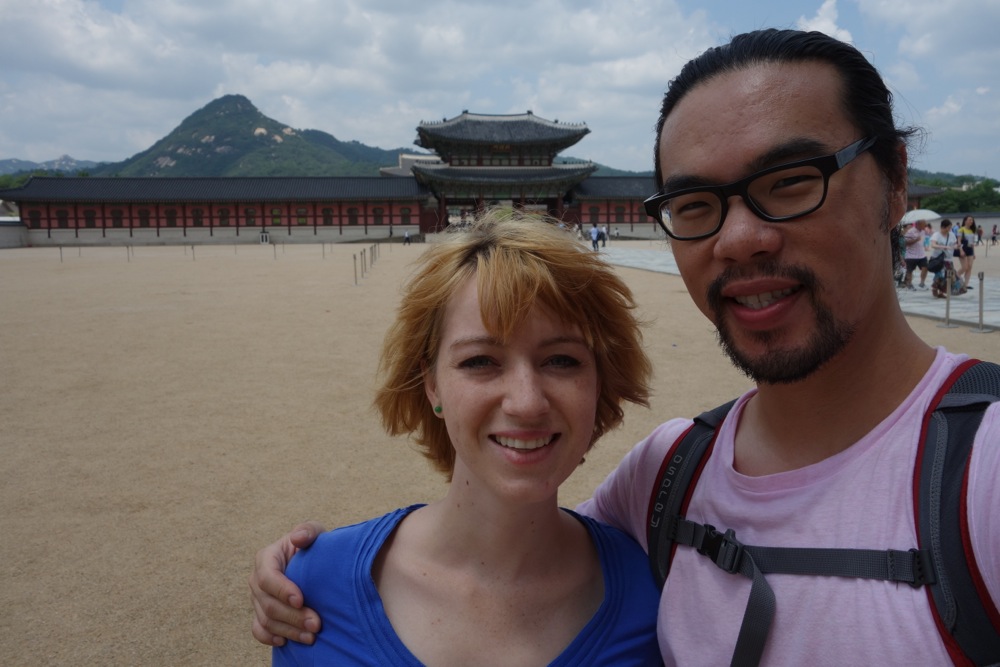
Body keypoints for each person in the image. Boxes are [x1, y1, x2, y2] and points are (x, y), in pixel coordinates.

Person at [251, 29, 1000, 666]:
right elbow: (514, 530)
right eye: (696, 204)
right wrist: (324, 566)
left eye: (791, 181)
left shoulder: (984, 470)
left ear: (894, 181)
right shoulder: (669, 477)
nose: (741, 237)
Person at [268, 210, 661, 665]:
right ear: (432, 384)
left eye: (562, 360)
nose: (526, 402)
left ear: (598, 383)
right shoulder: (311, 593)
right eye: (479, 361)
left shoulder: (656, 597)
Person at [929, 218, 962, 298]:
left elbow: (954, 244)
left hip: (949, 258)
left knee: (949, 276)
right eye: (948, 227)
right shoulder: (936, 235)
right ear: (943, 227)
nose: (949, 229)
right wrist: (943, 247)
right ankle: (936, 288)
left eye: (950, 227)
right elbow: (933, 245)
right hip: (939, 258)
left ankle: (940, 290)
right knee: (940, 275)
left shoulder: (951, 235)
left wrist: (957, 246)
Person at [902, 219, 929, 289]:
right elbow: (906, 243)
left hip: (921, 254)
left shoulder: (923, 231)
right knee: (910, 270)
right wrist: (916, 240)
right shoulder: (910, 232)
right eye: (924, 224)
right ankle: (909, 284)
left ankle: (922, 283)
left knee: (925, 267)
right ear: (918, 224)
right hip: (911, 255)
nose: (925, 226)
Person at [957, 215, 977, 289]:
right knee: (964, 267)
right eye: (969, 220)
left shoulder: (972, 230)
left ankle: (966, 284)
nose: (971, 221)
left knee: (970, 267)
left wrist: (974, 253)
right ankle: (956, 276)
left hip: (970, 249)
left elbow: (972, 243)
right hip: (963, 248)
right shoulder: (961, 229)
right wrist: (961, 250)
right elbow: (958, 241)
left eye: (972, 220)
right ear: (965, 221)